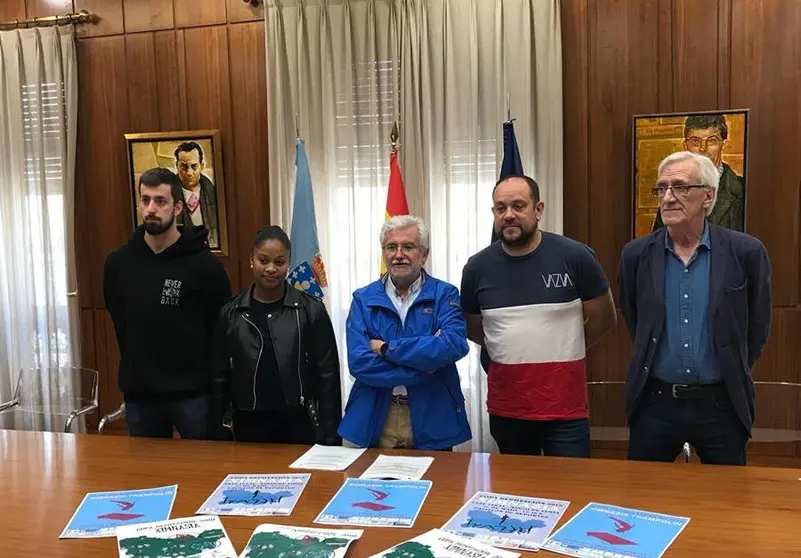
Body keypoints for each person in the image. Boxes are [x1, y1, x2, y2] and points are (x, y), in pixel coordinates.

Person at [620, 151, 771, 465]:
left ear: (708, 196)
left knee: (727, 491)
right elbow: (635, 319)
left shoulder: (746, 251)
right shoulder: (636, 255)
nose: (668, 198)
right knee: (645, 491)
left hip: (721, 403)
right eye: (662, 188)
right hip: (655, 403)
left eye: (680, 187)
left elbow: (757, 325)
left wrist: (732, 362)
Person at [461, 175, 616, 458]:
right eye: (501, 208)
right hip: (508, 410)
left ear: (539, 209)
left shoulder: (575, 256)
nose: (509, 215)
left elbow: (604, 318)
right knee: (516, 485)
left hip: (565, 409)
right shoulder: (477, 268)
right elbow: (474, 329)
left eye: (519, 205)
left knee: (571, 483)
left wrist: (565, 345)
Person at [103, 167, 232, 439]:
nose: (151, 208)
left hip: (194, 396)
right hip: (140, 395)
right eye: (145, 200)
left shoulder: (205, 266)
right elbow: (120, 322)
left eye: (160, 201)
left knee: (203, 465)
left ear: (177, 208)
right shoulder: (118, 264)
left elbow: (220, 329)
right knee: (145, 466)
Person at [338, 215, 471, 451]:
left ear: (424, 254)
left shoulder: (445, 294)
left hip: (433, 416)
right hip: (376, 416)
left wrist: (386, 349)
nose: (399, 254)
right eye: (391, 247)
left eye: (408, 247)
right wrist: (423, 367)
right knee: (373, 477)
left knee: (438, 477)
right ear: (383, 253)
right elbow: (359, 362)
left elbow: (453, 344)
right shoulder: (363, 299)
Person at [211, 226, 342, 445]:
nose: (271, 268)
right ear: (252, 260)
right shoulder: (231, 313)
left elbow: (327, 375)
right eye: (263, 260)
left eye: (279, 262)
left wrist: (331, 434)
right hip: (248, 423)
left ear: (288, 263)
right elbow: (220, 376)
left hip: (299, 422)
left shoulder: (311, 310)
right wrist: (218, 428)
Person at [652, 114, 745, 232]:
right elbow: (660, 240)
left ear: (723, 144)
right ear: (686, 146)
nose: (703, 149)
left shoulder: (744, 190)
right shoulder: (671, 193)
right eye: (695, 141)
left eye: (711, 141)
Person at [175, 141, 219, 248]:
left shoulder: (213, 193)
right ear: (177, 166)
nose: (189, 173)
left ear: (201, 166)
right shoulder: (168, 196)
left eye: (194, 166)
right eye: (184, 167)